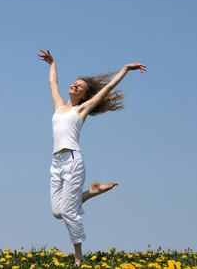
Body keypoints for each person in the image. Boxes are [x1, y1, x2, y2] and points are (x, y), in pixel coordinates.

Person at [38, 49, 146, 266]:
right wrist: (52, 63)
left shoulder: (81, 110)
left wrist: (125, 69)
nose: (75, 85)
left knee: (68, 211)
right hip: (56, 163)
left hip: (73, 161)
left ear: (84, 96)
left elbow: (107, 88)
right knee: (57, 212)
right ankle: (93, 192)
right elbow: (52, 83)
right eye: (75, 83)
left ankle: (79, 257)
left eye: (81, 86)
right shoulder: (59, 107)